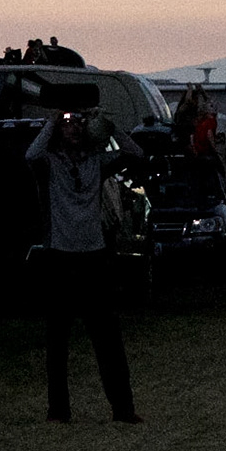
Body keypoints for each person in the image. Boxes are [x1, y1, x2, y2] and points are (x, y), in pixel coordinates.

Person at [25, 107, 145, 424]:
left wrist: (109, 125)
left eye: (79, 122)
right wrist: (52, 122)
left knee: (108, 338)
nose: (74, 128)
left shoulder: (96, 161)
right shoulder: (49, 163)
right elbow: (31, 153)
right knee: (57, 342)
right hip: (60, 257)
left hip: (94, 256)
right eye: (68, 123)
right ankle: (58, 411)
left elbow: (136, 152)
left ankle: (123, 409)